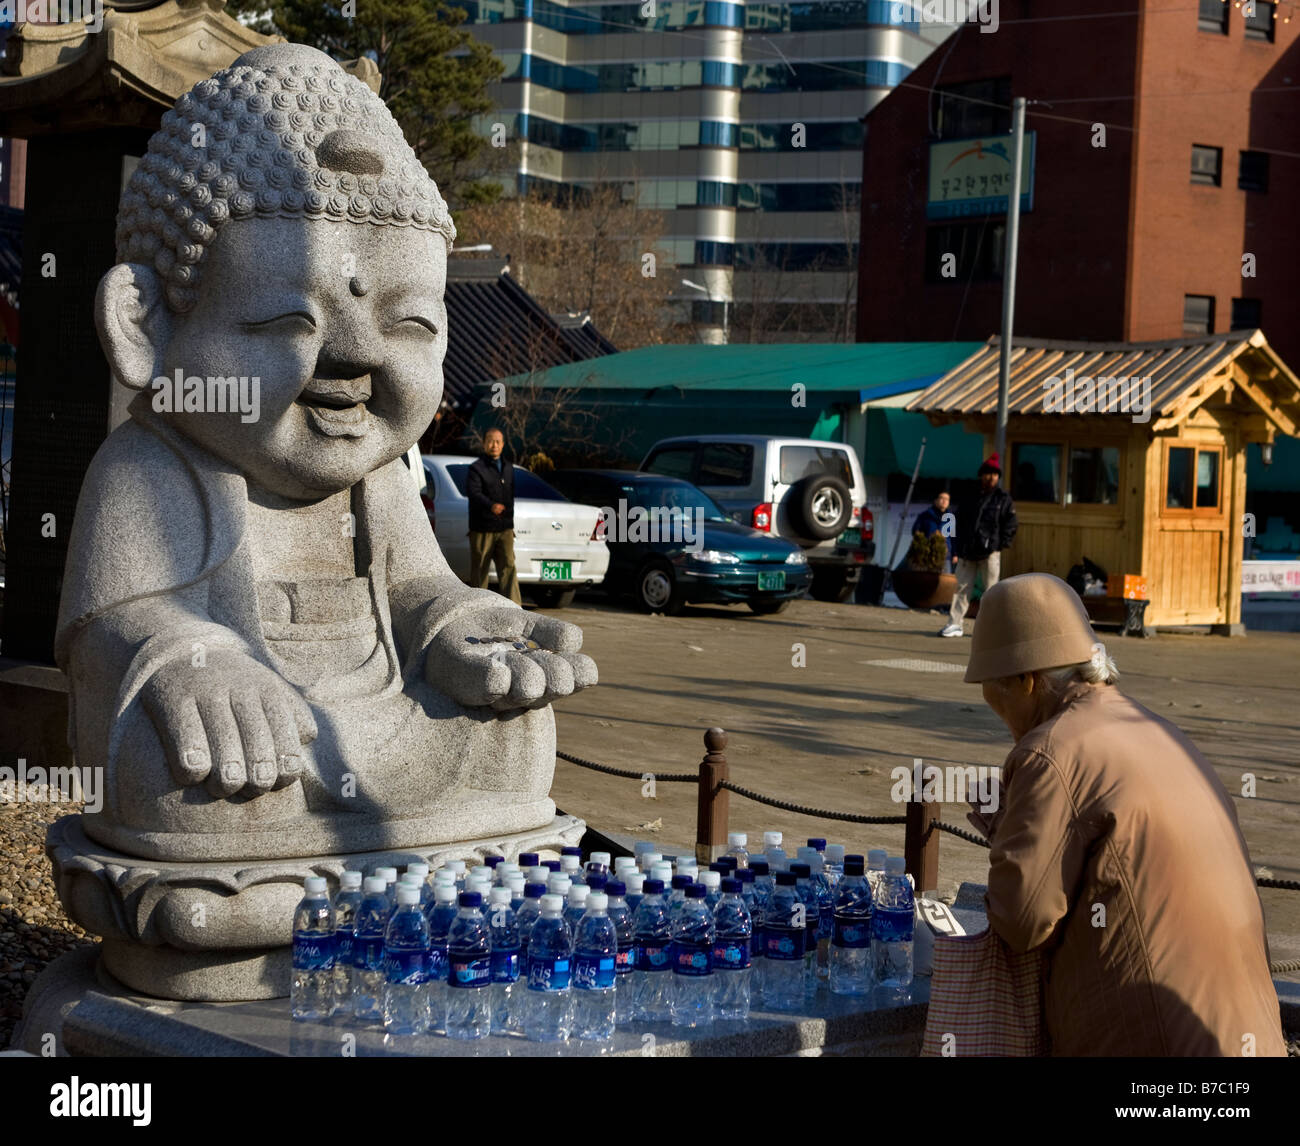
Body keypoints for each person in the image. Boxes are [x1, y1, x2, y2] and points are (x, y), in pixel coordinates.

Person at [963, 573, 1285, 1057]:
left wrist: (1006, 831)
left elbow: (1022, 919)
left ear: (1027, 681)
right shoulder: (1159, 730)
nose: (996, 710)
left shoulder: (1050, 752)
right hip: (1245, 1034)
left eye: (994, 691)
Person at [940, 454, 1017, 637]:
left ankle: (991, 630)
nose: (991, 477)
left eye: (995, 474)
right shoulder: (969, 496)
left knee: (992, 592)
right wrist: (955, 546)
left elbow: (1011, 523)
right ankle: (954, 624)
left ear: (998, 477)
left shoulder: (1003, 499)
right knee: (961, 589)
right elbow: (956, 520)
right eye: (988, 473)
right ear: (981, 475)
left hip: (990, 552)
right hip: (968, 551)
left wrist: (1000, 544)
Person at [467, 428, 522, 605]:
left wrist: (510, 525)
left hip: (505, 528)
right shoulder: (477, 468)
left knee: (508, 568)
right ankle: (478, 608)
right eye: (490, 441)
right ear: (484, 444)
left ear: (503, 444)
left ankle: (514, 607)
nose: (494, 445)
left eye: (498, 441)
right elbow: (473, 493)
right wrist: (491, 506)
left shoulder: (508, 467)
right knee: (480, 570)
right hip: (483, 528)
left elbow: (511, 496)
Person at [913, 491, 954, 570]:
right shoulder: (925, 516)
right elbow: (916, 532)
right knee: (927, 578)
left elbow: (953, 538)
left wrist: (954, 554)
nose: (944, 501)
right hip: (927, 554)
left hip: (946, 555)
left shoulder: (950, 518)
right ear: (935, 500)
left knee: (944, 579)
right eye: (942, 498)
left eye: (947, 499)